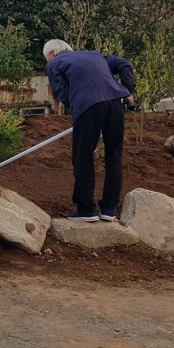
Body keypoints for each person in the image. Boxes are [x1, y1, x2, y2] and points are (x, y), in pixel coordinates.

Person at [43, 39, 137, 222]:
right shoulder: (95, 55)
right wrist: (128, 90)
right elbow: (125, 64)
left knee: (83, 156)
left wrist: (78, 108)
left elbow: (62, 93)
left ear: (51, 54)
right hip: (116, 104)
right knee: (114, 155)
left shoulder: (55, 63)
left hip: (88, 107)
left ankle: (86, 209)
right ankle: (110, 209)